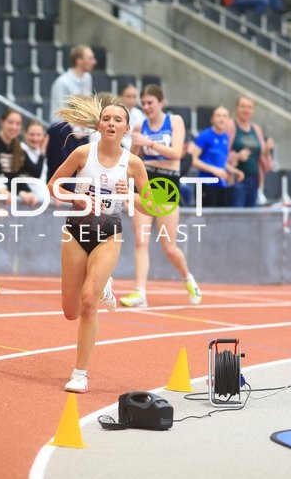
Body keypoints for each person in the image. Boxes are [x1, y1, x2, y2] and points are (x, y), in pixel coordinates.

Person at [47, 94, 152, 393]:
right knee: (70, 311)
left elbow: (150, 207)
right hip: (75, 232)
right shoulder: (83, 154)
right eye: (106, 118)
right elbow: (53, 185)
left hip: (109, 233)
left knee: (88, 301)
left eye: (118, 120)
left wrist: (128, 195)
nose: (111, 123)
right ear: (99, 124)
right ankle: (104, 284)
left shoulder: (132, 164)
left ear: (126, 129)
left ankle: (80, 372)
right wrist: (76, 196)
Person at [120, 84, 201, 308]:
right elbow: (131, 161)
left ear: (161, 103)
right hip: (146, 181)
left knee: (169, 247)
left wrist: (150, 143)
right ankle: (140, 292)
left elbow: (177, 153)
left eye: (150, 103)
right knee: (140, 239)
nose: (146, 107)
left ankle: (188, 278)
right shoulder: (139, 125)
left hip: (167, 184)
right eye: (143, 103)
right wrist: (135, 147)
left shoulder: (174, 122)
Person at [189, 106, 243, 207]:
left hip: (221, 184)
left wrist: (233, 170)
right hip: (206, 184)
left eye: (224, 116)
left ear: (228, 120)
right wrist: (214, 170)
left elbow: (221, 161)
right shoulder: (205, 136)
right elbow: (193, 160)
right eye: (218, 116)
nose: (221, 119)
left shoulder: (225, 137)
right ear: (212, 119)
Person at [227, 95, 274, 208]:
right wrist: (237, 157)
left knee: (251, 215)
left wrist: (267, 150)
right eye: (243, 106)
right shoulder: (230, 126)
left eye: (249, 107)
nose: (246, 110)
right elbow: (221, 154)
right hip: (236, 179)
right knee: (237, 215)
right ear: (237, 108)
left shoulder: (256, 129)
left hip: (254, 180)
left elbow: (264, 158)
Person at [0, 109, 39, 206]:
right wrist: (20, 192)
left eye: (18, 124)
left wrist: (29, 192)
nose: (14, 127)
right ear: (2, 122)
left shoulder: (17, 146)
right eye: (10, 123)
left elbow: (21, 174)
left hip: (11, 197)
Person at [49, 44, 96, 123]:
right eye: (90, 59)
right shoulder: (62, 83)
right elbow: (59, 113)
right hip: (64, 128)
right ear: (79, 61)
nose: (94, 62)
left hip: (82, 125)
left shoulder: (88, 78)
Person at [20, 119, 49, 203]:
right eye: (31, 134)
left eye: (38, 135)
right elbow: (36, 173)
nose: (35, 138)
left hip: (41, 202)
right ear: (25, 134)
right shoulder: (20, 149)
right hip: (26, 202)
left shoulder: (40, 153)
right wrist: (43, 150)